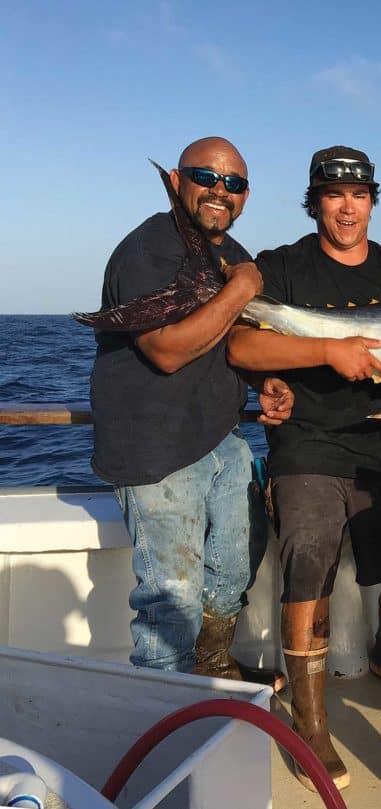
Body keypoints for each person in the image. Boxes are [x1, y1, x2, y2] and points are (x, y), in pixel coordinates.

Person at [227, 145, 381, 791]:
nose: (346, 206)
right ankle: (310, 718)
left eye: (358, 194)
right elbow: (244, 342)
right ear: (316, 201)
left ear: (372, 200)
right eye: (333, 195)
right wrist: (324, 350)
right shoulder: (280, 267)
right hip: (309, 440)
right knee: (307, 552)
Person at [89, 136, 292, 690]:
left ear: (245, 196)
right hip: (156, 451)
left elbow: (231, 340)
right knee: (170, 599)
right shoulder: (149, 250)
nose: (219, 191)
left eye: (234, 183)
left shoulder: (228, 253)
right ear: (177, 181)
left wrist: (263, 380)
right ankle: (164, 715)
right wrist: (245, 286)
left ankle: (212, 665)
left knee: (231, 571)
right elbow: (168, 348)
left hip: (219, 440)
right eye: (206, 176)